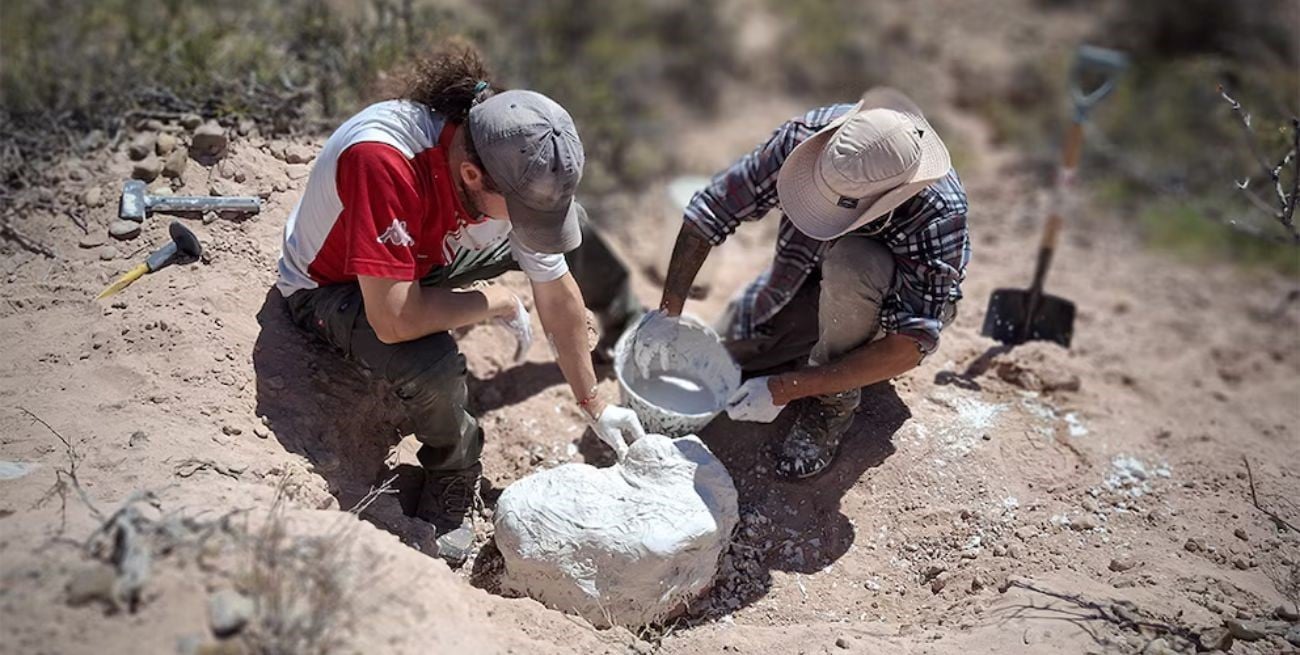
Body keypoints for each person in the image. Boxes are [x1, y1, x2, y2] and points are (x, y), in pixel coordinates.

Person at [274, 40, 645, 565]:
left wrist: (593, 404)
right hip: (332, 286)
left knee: (573, 230)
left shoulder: (497, 152)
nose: (523, 223)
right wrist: (490, 301)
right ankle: (452, 475)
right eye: (517, 211)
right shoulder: (383, 160)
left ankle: (625, 318)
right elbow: (395, 318)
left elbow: (557, 293)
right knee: (434, 364)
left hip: (422, 258)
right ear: (471, 176)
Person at [657, 88, 970, 480]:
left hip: (892, 302)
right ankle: (812, 346)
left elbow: (910, 343)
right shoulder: (806, 138)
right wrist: (667, 318)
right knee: (732, 356)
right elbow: (709, 211)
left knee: (852, 263)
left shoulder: (937, 210)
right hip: (804, 271)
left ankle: (831, 404)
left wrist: (785, 389)